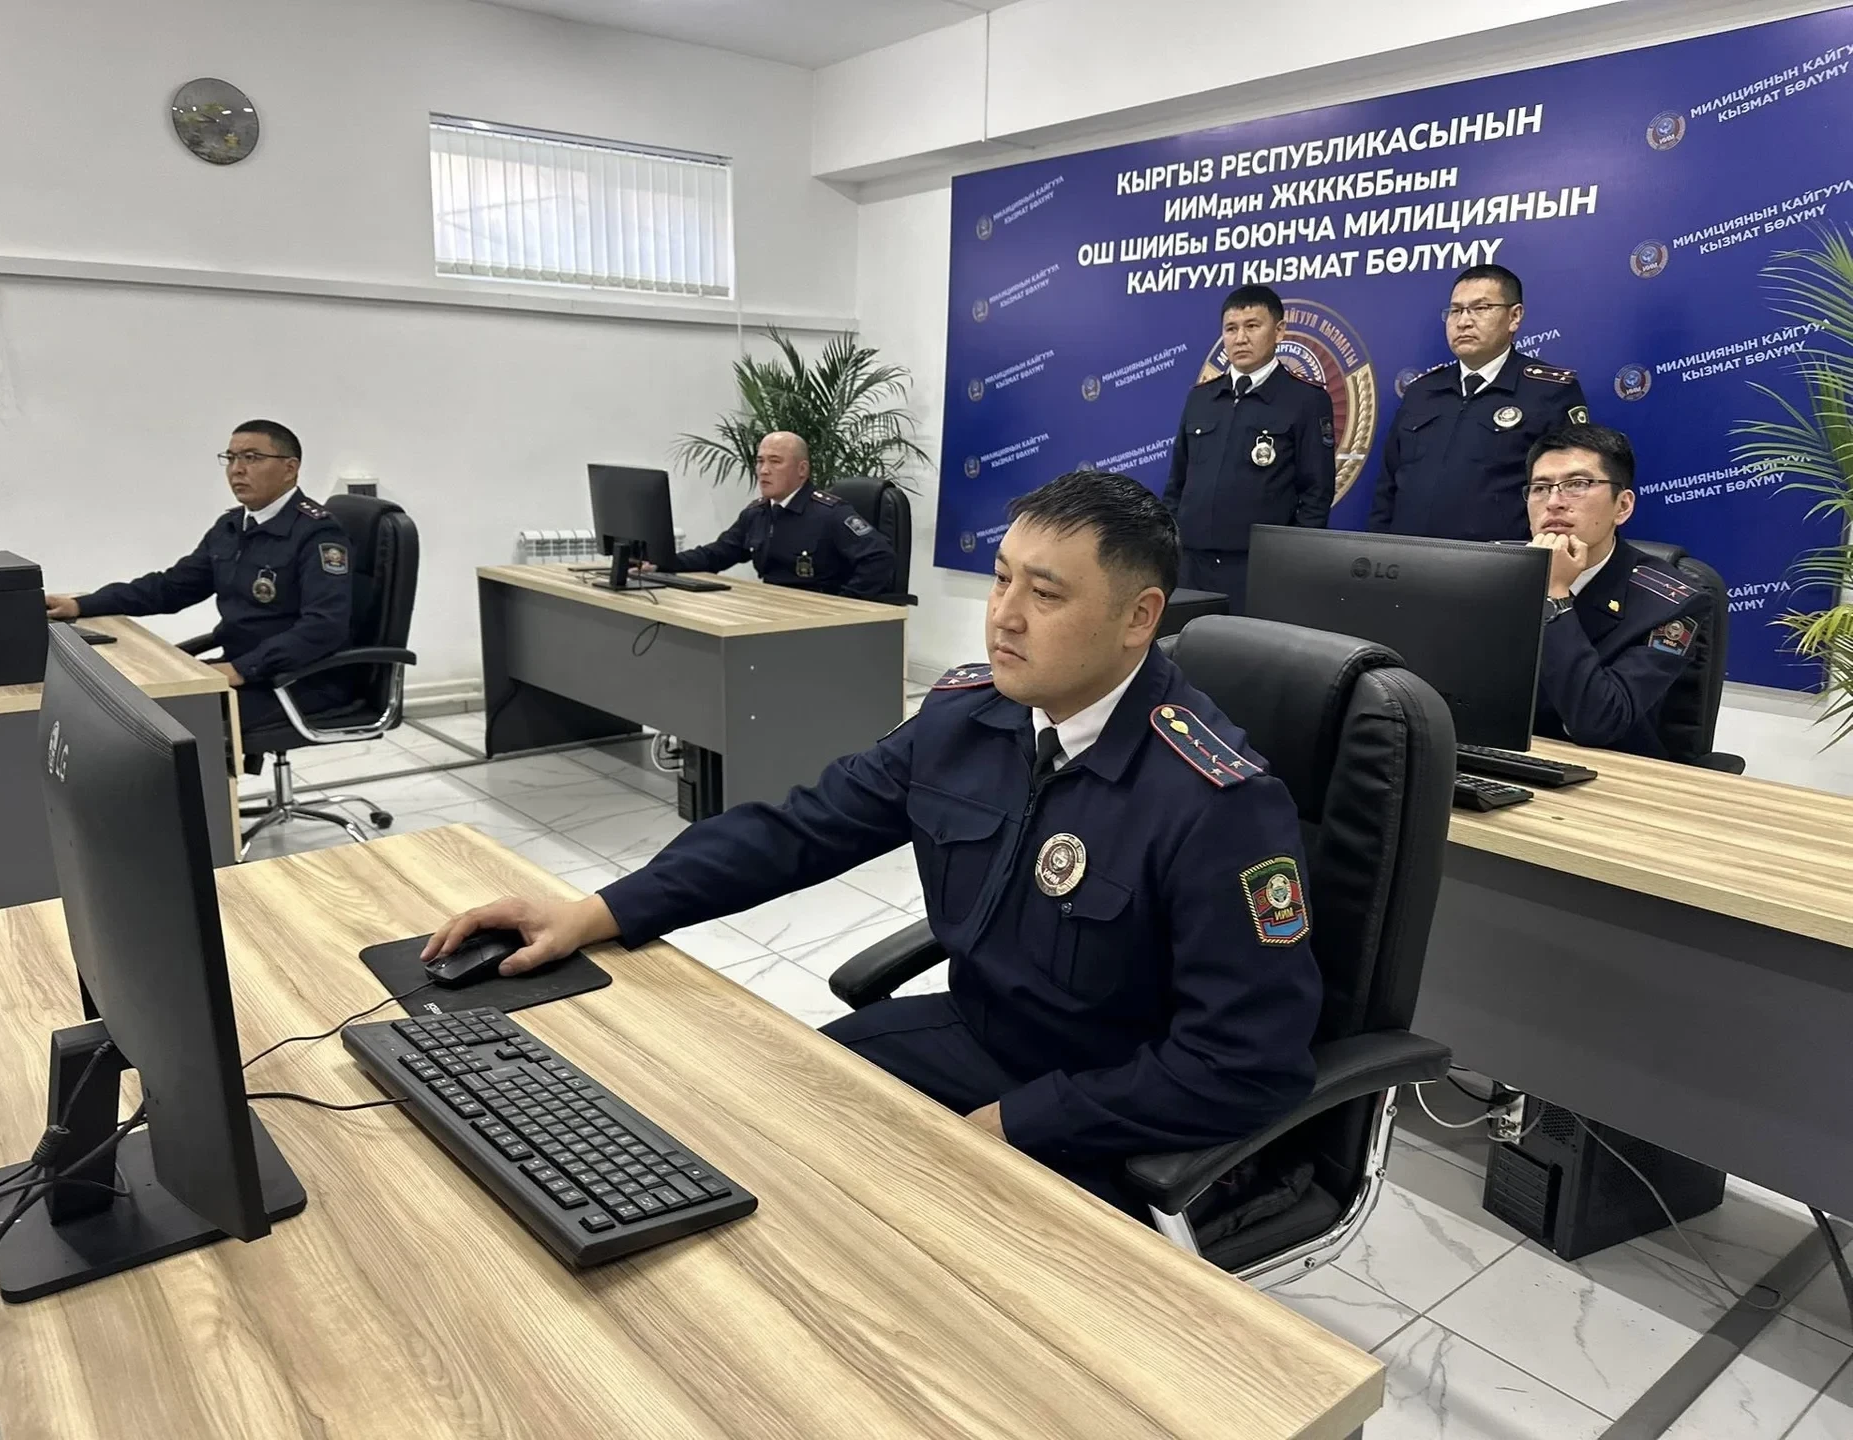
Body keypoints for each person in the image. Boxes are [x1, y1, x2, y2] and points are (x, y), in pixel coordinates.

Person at [427, 469, 1323, 1216]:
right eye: (1000, 580)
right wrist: (595, 912)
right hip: (978, 1038)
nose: (1003, 616)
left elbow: (1247, 1067)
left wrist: (1021, 1122)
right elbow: (799, 829)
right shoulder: (968, 719)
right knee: (753, 1137)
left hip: (1113, 1107)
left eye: (1044, 594)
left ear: (1138, 617)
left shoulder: (1216, 801)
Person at [44, 420, 355, 748]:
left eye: (251, 457)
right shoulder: (232, 526)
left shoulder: (318, 534)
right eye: (231, 458)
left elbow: (324, 626)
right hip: (244, 671)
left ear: (290, 469)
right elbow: (172, 588)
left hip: (301, 680)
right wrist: (82, 605)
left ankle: (213, 783)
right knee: (127, 704)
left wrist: (241, 669)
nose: (237, 469)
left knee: (163, 726)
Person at [1524, 424, 1712, 761]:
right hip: (1506, 759)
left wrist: (1554, 594)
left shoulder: (1673, 603)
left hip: (1613, 771)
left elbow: (1598, 722)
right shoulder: (1497, 574)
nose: (1553, 502)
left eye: (1577, 485)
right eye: (1540, 488)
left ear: (1622, 506)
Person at [1368, 264, 1590, 542]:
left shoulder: (1550, 391)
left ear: (1514, 317)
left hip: (1500, 560)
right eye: (1456, 311)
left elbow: (1569, 491)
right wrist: (1377, 549)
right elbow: (1387, 488)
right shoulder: (1422, 392)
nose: (1463, 322)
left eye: (1480, 308)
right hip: (1407, 558)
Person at [1162, 285, 1335, 612]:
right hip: (1191, 565)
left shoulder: (1305, 400)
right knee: (1186, 642)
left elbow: (1316, 492)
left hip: (1258, 568)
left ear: (1279, 331)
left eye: (1252, 326)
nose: (1240, 338)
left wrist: (1290, 561)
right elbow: (1177, 482)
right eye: (1231, 329)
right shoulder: (1201, 398)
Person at [662, 431, 897, 599]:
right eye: (760, 461)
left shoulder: (830, 514)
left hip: (819, 619)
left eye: (775, 462)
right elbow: (716, 554)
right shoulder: (757, 514)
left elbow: (880, 557)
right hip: (773, 609)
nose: (764, 470)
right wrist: (660, 563)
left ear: (802, 469)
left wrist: (845, 604)